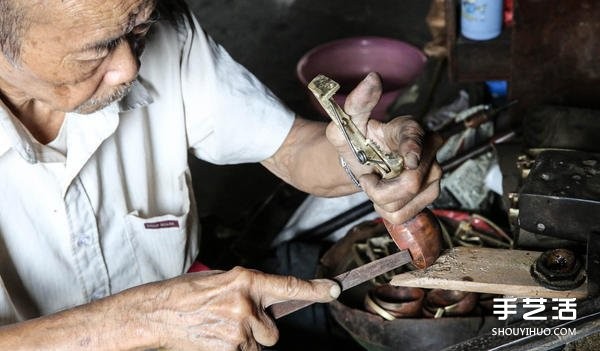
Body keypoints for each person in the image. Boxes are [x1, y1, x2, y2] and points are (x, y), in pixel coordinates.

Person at [0, 0, 441, 349]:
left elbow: (288, 147)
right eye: (97, 49)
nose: (130, 68)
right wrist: (139, 322)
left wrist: (361, 157)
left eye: (138, 28)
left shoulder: (158, 29)